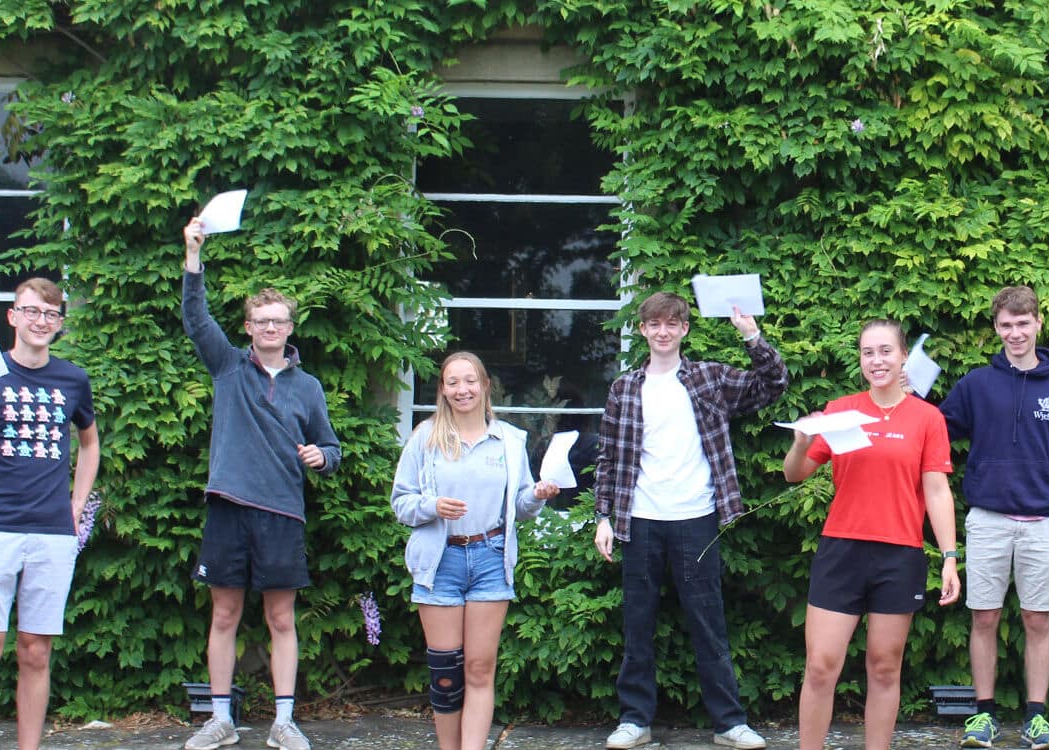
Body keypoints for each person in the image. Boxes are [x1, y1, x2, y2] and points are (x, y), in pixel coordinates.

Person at [593, 291, 784, 750]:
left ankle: (729, 724)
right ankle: (635, 721)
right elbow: (609, 457)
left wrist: (752, 336)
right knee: (638, 624)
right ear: (642, 330)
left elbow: (771, 385)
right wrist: (604, 516)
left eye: (672, 324)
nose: (663, 331)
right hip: (639, 520)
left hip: (696, 518)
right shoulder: (624, 388)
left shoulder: (708, 378)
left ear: (684, 330)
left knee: (708, 622)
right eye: (654, 324)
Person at [180, 217, 342, 750]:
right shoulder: (227, 367)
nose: (269, 328)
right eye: (260, 321)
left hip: (282, 514)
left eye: (278, 321)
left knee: (280, 617)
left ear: (291, 327)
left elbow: (332, 449)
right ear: (247, 328)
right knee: (224, 613)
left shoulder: (310, 388)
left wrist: (322, 457)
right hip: (229, 507)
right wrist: (193, 257)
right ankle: (221, 720)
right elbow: (196, 319)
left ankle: (283, 723)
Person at [0, 277, 101, 750]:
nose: (40, 321)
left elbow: (90, 444)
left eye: (50, 314)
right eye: (31, 311)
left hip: (52, 534)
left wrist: (77, 503)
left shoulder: (73, 379)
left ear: (60, 324)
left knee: (36, 652)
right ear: (13, 316)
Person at [784, 320, 961, 750]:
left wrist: (950, 557)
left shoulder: (927, 418)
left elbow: (936, 491)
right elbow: (795, 474)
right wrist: (799, 440)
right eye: (867, 353)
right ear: (860, 360)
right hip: (841, 551)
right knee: (821, 666)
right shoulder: (840, 410)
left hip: (899, 555)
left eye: (885, 351)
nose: (876, 360)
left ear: (903, 357)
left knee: (884, 668)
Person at [939, 286, 1049, 750]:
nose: (1015, 332)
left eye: (1023, 323)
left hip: (1044, 522)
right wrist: (908, 396)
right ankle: (982, 717)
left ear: (1038, 324)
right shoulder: (976, 384)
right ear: (996, 328)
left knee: (1038, 621)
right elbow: (939, 430)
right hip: (988, 519)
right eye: (1006, 324)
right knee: (984, 618)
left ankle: (1037, 718)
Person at [391, 352, 560, 750]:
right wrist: (433, 507)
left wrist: (536, 496)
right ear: (443, 390)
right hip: (440, 560)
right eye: (453, 382)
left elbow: (519, 508)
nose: (462, 389)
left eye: (470, 381)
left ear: (485, 386)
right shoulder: (425, 437)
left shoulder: (510, 441)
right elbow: (401, 503)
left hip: (490, 558)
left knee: (481, 668)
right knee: (445, 674)